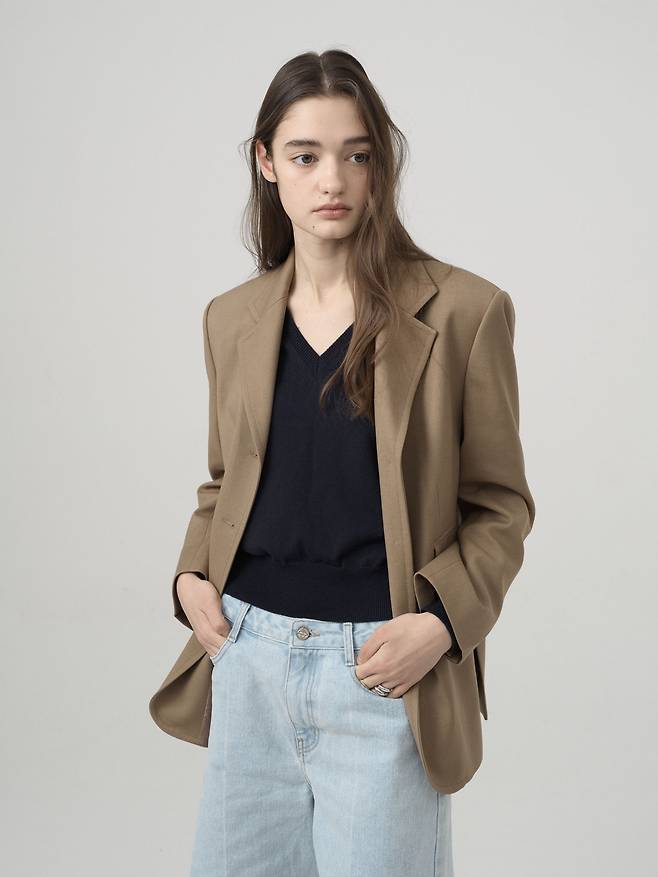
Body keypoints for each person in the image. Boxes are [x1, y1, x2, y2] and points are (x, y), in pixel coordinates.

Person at [149, 49, 535, 877]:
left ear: (379, 165)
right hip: (247, 660)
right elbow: (224, 481)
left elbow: (502, 507)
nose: (333, 180)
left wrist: (441, 623)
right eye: (306, 156)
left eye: (357, 155)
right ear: (266, 163)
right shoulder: (231, 318)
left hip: (383, 675)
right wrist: (190, 576)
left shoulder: (464, 313)